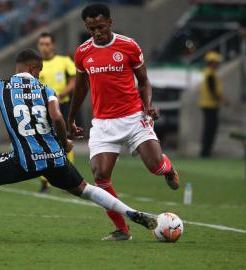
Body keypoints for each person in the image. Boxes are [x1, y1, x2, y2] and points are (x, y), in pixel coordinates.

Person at [0, 48, 157, 240]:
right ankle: (130, 212)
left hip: (24, 160)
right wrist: (64, 143)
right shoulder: (46, 90)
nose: (40, 73)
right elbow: (57, 118)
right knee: (86, 189)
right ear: (33, 68)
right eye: (39, 69)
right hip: (54, 158)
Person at [68, 4, 179, 241]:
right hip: (103, 123)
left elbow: (145, 81)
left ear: (110, 22)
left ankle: (168, 168)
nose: (97, 32)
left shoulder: (128, 46)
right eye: (91, 29)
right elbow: (80, 87)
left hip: (133, 117)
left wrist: (148, 105)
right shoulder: (82, 53)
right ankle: (122, 229)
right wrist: (71, 118)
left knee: (155, 166)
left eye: (100, 27)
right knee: (100, 175)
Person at [37, 32, 77, 193]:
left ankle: (68, 179)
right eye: (42, 44)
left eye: (47, 44)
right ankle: (45, 182)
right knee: (40, 143)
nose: (45, 47)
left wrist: (61, 94)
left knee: (65, 141)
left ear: (53, 45)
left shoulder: (64, 61)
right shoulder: (35, 64)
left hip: (62, 107)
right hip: (40, 109)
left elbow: (74, 81)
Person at [198, 51, 228, 158]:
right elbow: (213, 90)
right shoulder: (210, 74)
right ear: (211, 63)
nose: (217, 64)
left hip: (208, 105)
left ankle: (206, 151)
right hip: (209, 105)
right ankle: (206, 152)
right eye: (216, 62)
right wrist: (224, 100)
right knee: (210, 129)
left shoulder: (209, 73)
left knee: (209, 129)